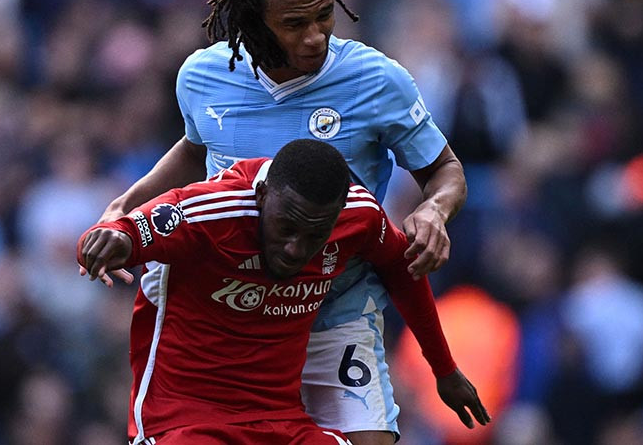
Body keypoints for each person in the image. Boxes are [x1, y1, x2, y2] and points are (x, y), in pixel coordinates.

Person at [98, 0, 468, 444]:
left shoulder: (377, 80)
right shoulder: (203, 76)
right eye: (295, 23)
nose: (315, 35)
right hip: (230, 312)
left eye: (324, 15)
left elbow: (445, 171)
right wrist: (128, 203)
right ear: (254, 19)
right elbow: (195, 148)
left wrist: (435, 210)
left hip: (333, 306)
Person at [79, 139, 489, 444]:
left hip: (279, 422)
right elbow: (123, 231)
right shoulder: (210, 211)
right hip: (185, 420)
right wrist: (106, 242)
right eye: (286, 228)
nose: (296, 249)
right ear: (261, 198)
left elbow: (403, 270)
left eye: (314, 235)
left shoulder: (359, 216)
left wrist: (445, 369)